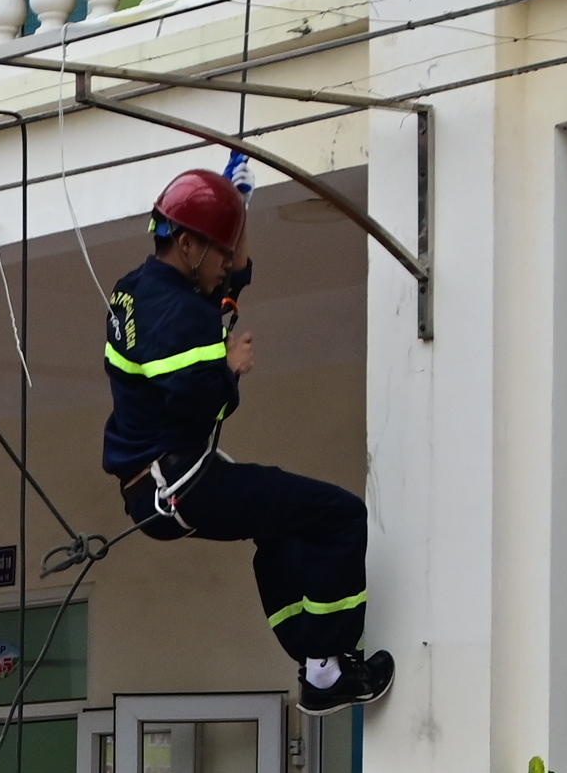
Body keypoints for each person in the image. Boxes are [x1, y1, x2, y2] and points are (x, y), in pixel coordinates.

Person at [106, 167, 391, 715]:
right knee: (341, 516)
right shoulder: (180, 315)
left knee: (280, 531)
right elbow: (196, 406)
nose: (227, 266)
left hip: (155, 488)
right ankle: (327, 666)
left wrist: (237, 205)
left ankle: (315, 661)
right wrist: (231, 369)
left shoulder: (135, 290)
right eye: (218, 252)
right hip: (183, 482)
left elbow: (233, 272)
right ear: (187, 245)